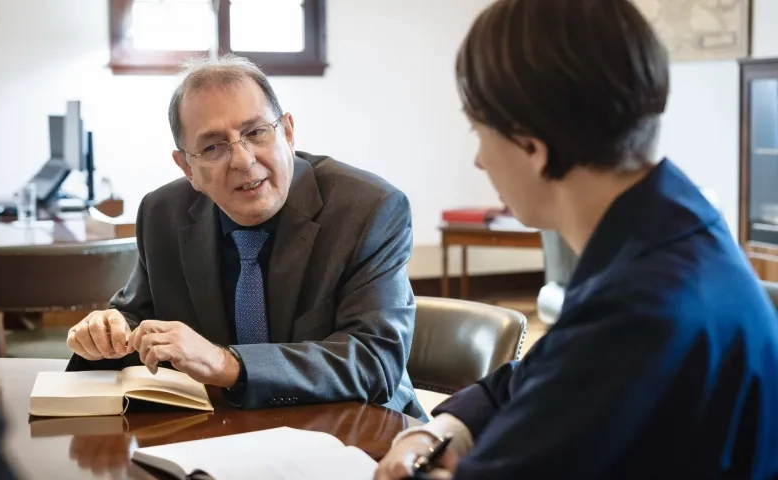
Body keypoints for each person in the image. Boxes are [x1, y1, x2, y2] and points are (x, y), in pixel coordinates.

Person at [375, 0, 778, 478]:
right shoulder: (675, 219)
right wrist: (441, 429)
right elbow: (544, 368)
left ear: (532, 148)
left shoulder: (636, 310)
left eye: (478, 132)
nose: (479, 161)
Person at [64, 54, 426, 420]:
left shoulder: (369, 208)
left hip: (359, 429)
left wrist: (227, 363)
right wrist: (104, 334)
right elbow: (135, 317)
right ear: (187, 167)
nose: (242, 159)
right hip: (221, 431)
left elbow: (374, 362)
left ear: (286, 132)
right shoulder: (163, 214)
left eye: (255, 133)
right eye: (213, 147)